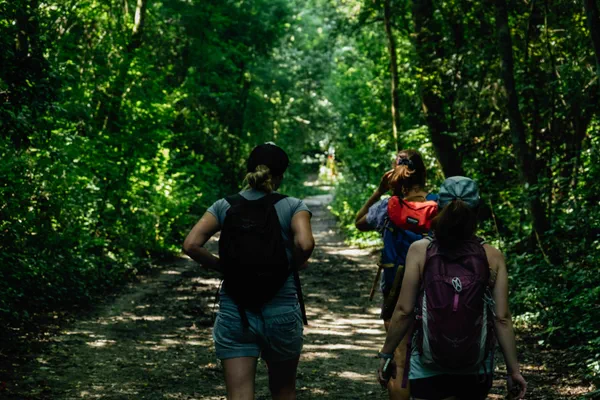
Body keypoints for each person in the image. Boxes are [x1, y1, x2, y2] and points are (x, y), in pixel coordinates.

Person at [183, 143, 315, 400]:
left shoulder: (223, 205)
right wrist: (292, 264)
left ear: (249, 171)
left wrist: (222, 267)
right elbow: (305, 243)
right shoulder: (293, 206)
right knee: (284, 391)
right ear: (280, 175)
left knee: (240, 394)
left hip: (236, 310)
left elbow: (191, 244)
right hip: (281, 309)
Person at [376, 176, 527, 400]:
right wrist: (514, 371)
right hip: (475, 369)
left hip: (427, 366)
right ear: (477, 212)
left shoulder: (420, 250)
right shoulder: (492, 256)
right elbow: (502, 318)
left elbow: (404, 310)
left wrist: (387, 354)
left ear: (438, 208)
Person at [355, 149, 438, 400]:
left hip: (396, 289)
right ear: (423, 174)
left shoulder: (387, 207)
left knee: (400, 360)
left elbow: (359, 221)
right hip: (435, 290)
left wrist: (379, 191)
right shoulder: (440, 206)